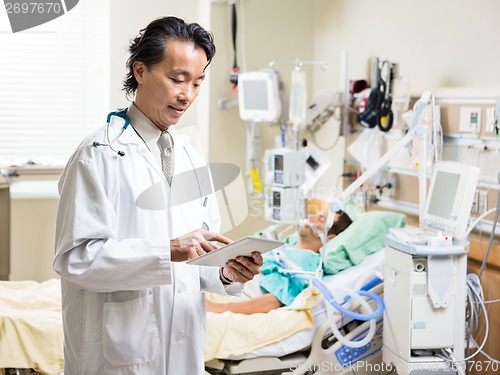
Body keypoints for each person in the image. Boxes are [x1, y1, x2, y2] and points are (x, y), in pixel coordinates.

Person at [53, 16, 263, 375]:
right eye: (178, 79)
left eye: (197, 83)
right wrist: (166, 250)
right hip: (117, 355)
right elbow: (75, 259)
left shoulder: (192, 158)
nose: (188, 95)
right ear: (140, 71)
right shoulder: (98, 154)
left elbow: (201, 258)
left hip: (182, 349)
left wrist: (229, 271)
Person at [206, 209, 353, 315]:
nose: (311, 217)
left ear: (330, 238)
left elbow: (272, 301)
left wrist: (219, 308)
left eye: (320, 220)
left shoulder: (308, 261)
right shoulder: (284, 249)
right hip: (218, 287)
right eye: (316, 214)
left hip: (231, 299)